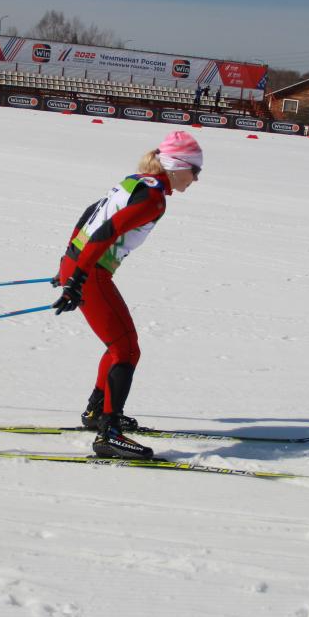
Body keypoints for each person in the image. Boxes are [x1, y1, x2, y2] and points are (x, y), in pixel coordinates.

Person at [52, 130, 204, 459]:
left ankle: (98, 413)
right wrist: (76, 277)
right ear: (178, 166)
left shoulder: (137, 181)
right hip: (90, 273)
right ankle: (109, 433)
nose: (196, 179)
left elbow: (91, 214)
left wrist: (68, 263)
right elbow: (107, 229)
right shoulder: (153, 198)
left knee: (118, 345)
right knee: (126, 349)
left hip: (82, 266)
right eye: (195, 170)